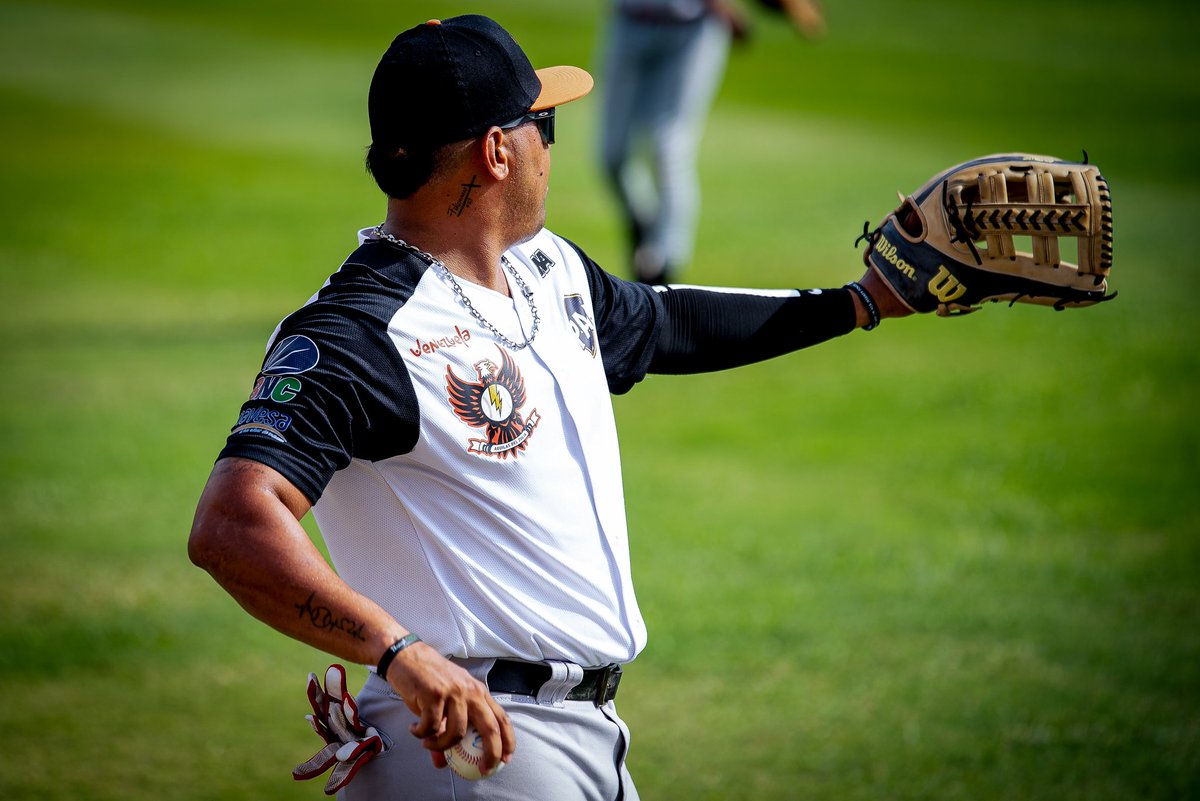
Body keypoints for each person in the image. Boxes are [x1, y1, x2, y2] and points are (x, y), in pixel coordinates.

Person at [188, 13, 907, 801]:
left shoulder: (547, 269)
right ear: (498, 151)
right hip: (468, 743)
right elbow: (231, 524)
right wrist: (396, 650)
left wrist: (865, 300)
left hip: (584, 737)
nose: (551, 149)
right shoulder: (362, 332)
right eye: (545, 125)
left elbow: (669, 322)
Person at [598, 0, 825, 284]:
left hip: (691, 29)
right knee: (612, 155)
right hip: (629, 22)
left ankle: (665, 268)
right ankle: (645, 225)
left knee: (668, 148)